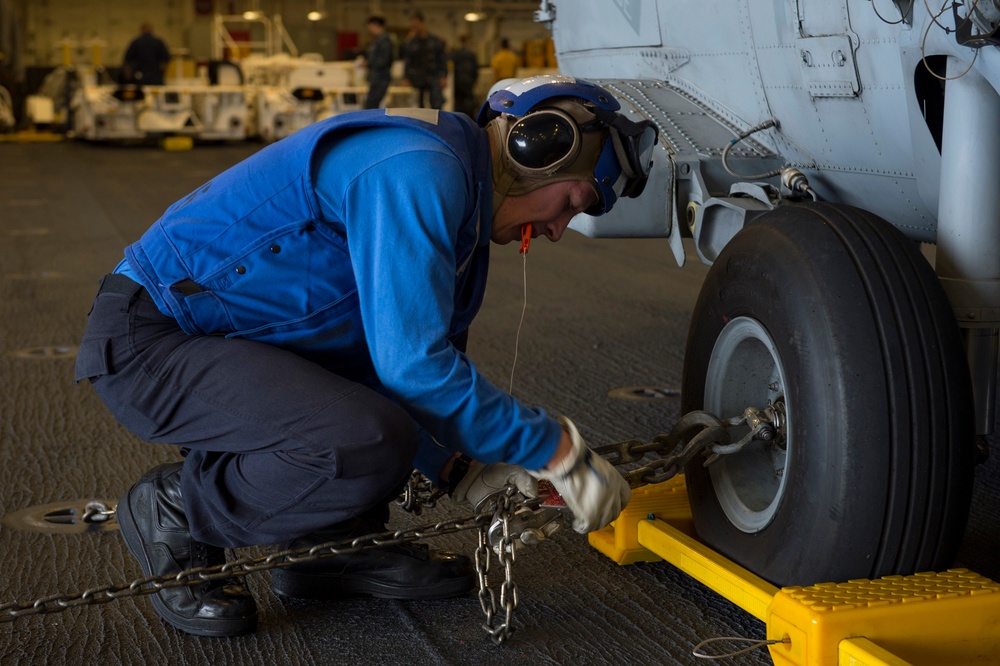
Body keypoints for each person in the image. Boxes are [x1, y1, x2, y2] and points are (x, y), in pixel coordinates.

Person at [75, 75, 658, 637]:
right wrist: (555, 451)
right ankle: (180, 508)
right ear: (539, 149)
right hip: (152, 343)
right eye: (573, 203)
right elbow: (416, 369)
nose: (558, 230)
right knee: (361, 437)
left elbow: (407, 372)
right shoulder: (416, 168)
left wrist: (462, 467)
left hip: (245, 348)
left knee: (375, 416)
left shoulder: (458, 214)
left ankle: (328, 550)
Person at [400, 11, 447, 109]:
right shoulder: (411, 43)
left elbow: (441, 59)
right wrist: (405, 78)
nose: (415, 28)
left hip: (433, 76)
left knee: (436, 104)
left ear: (422, 23)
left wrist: (443, 76)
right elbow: (408, 61)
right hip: (417, 78)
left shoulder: (435, 41)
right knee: (418, 106)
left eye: (417, 25)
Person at [363, 15, 394, 110]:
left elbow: (384, 60)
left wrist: (369, 63)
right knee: (370, 104)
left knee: (371, 105)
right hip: (376, 77)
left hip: (381, 78)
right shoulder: (378, 41)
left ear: (375, 25)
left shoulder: (384, 41)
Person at [450, 35, 479, 118]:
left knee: (458, 104)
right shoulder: (472, 54)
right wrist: (474, 81)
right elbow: (475, 70)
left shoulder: (455, 54)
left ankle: (458, 120)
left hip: (457, 83)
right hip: (468, 82)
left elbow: (452, 69)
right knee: (469, 104)